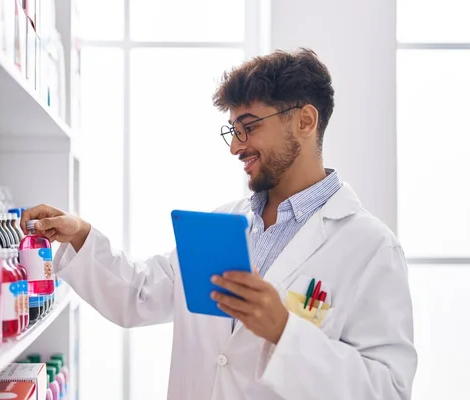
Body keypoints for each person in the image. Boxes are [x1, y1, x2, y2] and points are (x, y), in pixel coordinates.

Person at [21, 48, 417, 400]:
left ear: (305, 121)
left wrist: (284, 332)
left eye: (249, 127)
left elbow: (388, 388)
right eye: (233, 130)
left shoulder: (369, 247)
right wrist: (80, 236)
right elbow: (139, 295)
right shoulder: (226, 223)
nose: (235, 146)